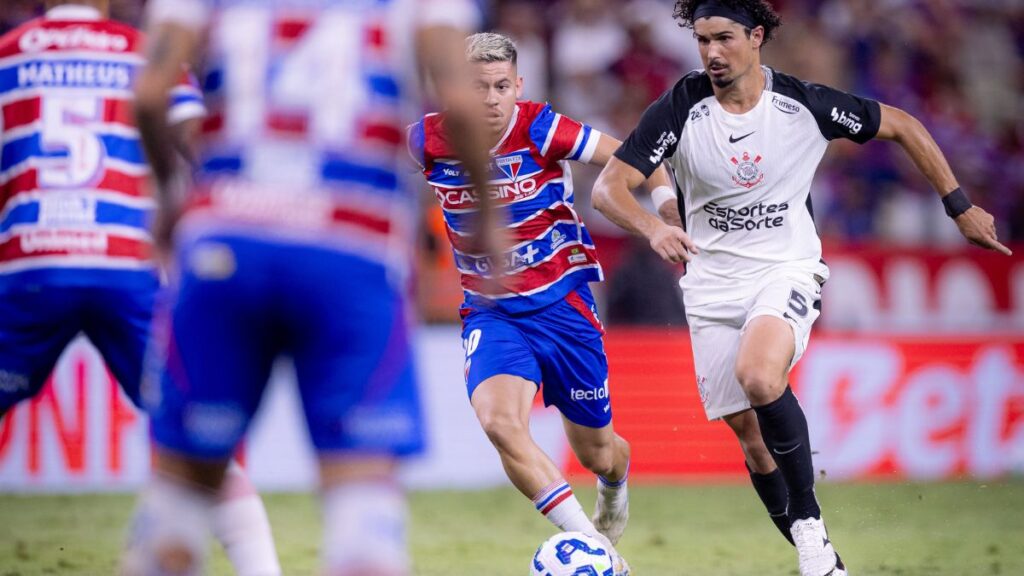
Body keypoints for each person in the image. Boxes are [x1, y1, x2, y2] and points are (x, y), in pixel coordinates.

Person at [590, 2, 1012, 576]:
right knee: (751, 441)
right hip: (710, 284)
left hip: (784, 268)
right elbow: (610, 188)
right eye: (702, 41)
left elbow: (903, 125)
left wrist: (958, 206)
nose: (712, 53)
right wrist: (655, 227)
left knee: (761, 376)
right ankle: (826, 563)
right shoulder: (681, 107)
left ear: (756, 37)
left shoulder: (804, 105)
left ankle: (811, 531)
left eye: (724, 39)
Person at [119, 0, 491, 574]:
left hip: (226, 242)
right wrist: (489, 218)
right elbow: (462, 107)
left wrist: (173, 195)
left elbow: (148, 96)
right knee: (361, 498)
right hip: (351, 246)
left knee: (184, 488)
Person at [0, 2, 280, 574]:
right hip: (127, 263)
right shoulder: (145, 53)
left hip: (31, 263)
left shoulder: (7, 55)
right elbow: (197, 147)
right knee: (197, 441)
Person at [408, 32, 677, 574]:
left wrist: (666, 210)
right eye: (478, 87)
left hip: (563, 308)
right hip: (492, 312)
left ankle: (614, 485)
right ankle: (596, 550)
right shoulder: (426, 139)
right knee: (500, 423)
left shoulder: (539, 126)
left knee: (598, 452)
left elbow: (637, 159)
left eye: (501, 86)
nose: (490, 99)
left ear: (518, 86)